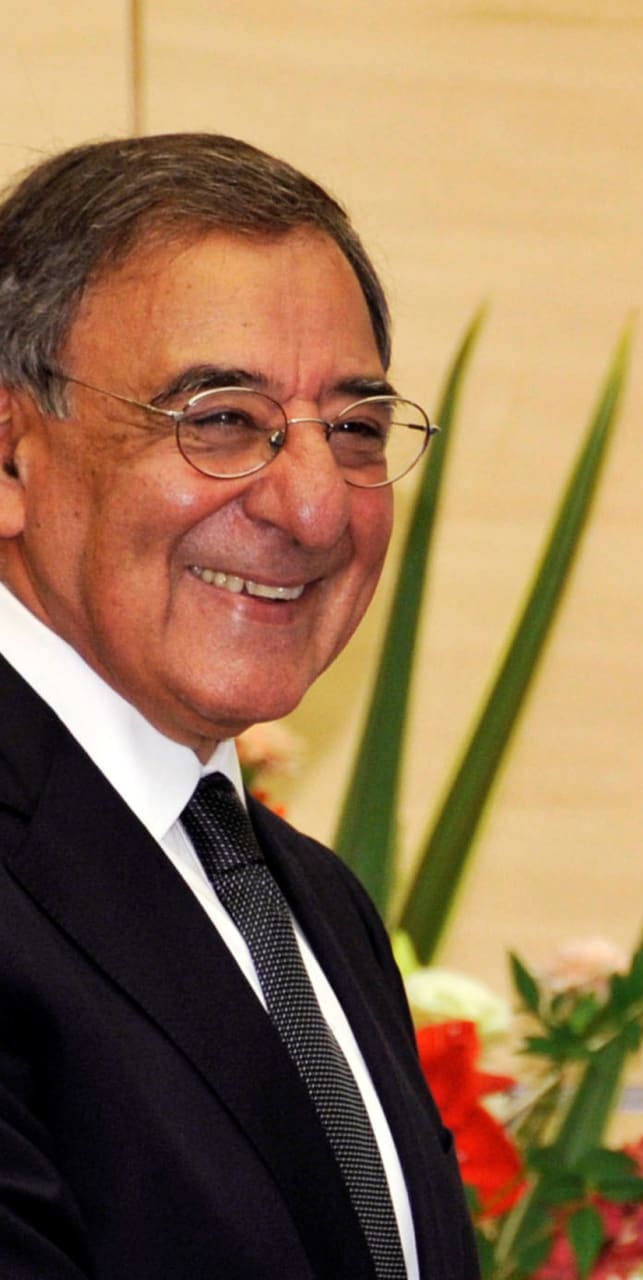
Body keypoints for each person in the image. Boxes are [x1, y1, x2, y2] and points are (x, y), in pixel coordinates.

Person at [0, 135, 478, 1278]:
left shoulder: (306, 897)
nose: (316, 505)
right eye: (220, 417)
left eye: (356, 429)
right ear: (11, 456)